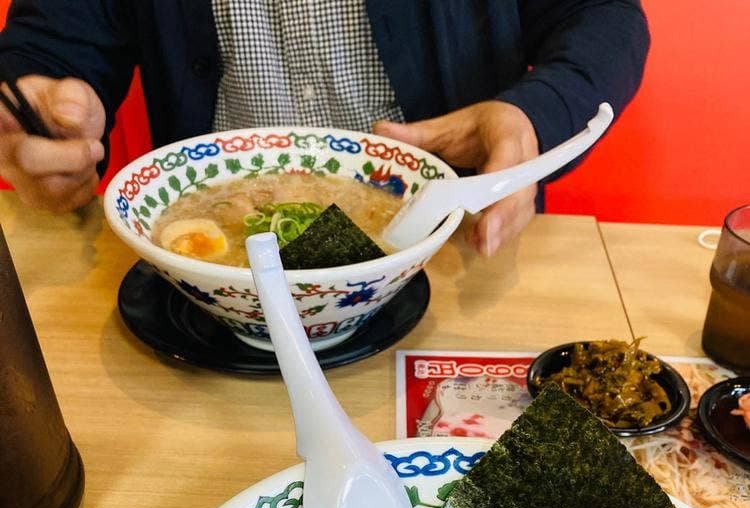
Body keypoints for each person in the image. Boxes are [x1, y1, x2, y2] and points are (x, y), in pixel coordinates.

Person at [0, 1, 649, 256]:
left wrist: (530, 117)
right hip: (213, 265)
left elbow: (604, 17)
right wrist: (42, 104)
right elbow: (51, 46)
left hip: (445, 249)